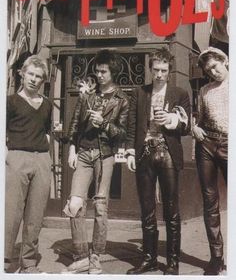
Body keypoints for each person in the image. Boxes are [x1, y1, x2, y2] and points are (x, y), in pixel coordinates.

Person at [62, 49, 129, 274]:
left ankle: (96, 257)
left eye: (103, 71)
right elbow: (74, 125)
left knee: (100, 207)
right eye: (97, 71)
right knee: (74, 205)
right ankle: (81, 255)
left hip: (105, 155)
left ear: (113, 72)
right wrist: (71, 149)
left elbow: (122, 134)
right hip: (83, 153)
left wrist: (104, 124)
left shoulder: (122, 99)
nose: (99, 75)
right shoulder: (87, 95)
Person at [125, 47, 191, 275]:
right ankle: (149, 258)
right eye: (156, 70)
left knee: (172, 210)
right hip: (144, 153)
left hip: (168, 153)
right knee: (147, 209)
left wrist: (171, 119)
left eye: (164, 70)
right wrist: (130, 153)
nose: (160, 74)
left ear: (169, 70)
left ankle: (172, 262)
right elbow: (132, 125)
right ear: (150, 69)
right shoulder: (139, 93)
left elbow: (186, 127)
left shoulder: (180, 93)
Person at [5, 55, 52, 273]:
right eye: (31, 74)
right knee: (11, 212)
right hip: (17, 157)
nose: (34, 79)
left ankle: (29, 263)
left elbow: (47, 131)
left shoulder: (47, 105)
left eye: (39, 76)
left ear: (43, 80)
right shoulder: (10, 101)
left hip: (41, 159)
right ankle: (5, 260)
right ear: (22, 74)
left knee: (35, 215)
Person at [192, 47, 228, 275]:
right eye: (208, 71)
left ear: (224, 61)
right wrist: (194, 127)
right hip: (206, 145)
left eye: (215, 66)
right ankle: (216, 258)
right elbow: (199, 118)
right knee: (209, 200)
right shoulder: (204, 91)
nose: (213, 72)